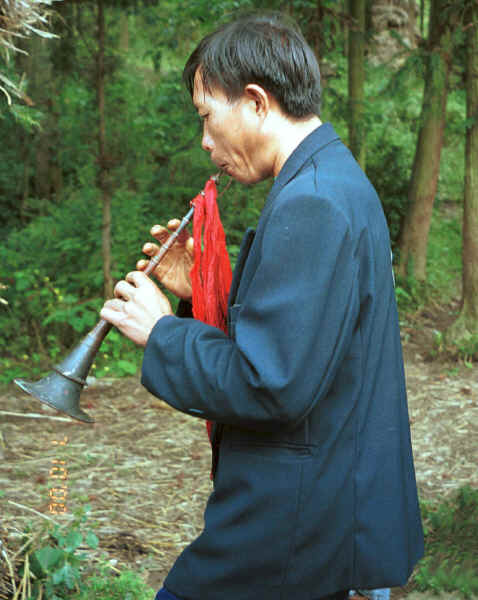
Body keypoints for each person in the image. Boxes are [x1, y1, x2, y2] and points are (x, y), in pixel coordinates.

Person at [100, 13, 424, 600]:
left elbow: (270, 384)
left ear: (254, 101)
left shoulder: (313, 202)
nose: (204, 140)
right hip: (318, 514)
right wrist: (199, 296)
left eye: (206, 116)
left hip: (293, 529)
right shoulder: (332, 178)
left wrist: (161, 333)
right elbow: (303, 346)